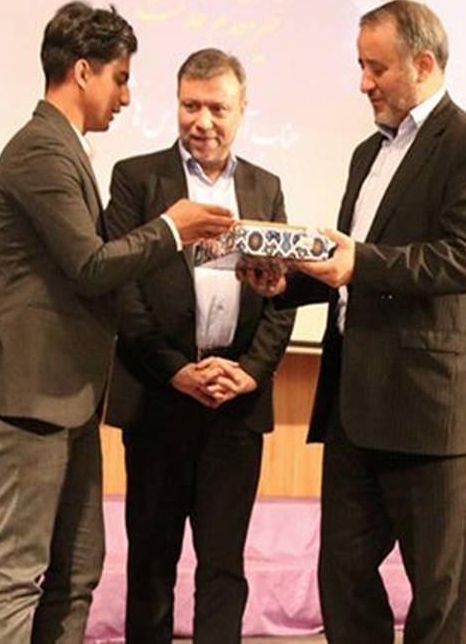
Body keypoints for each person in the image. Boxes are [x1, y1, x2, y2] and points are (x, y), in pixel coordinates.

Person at [0, 2, 233, 643]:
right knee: (20, 574)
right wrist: (172, 228)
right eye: (120, 79)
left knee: (79, 567)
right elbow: (89, 265)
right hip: (25, 394)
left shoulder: (65, 148)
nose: (127, 97)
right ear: (83, 72)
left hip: (68, 398)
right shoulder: (40, 150)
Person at [242, 0, 466, 643]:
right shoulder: (368, 153)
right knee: (342, 578)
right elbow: (351, 270)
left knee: (437, 594)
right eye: (360, 65)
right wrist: (286, 283)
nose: (363, 82)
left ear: (423, 64)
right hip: (356, 407)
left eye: (376, 67)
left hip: (435, 412)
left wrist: (357, 261)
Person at [105, 48, 295, 643]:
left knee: (223, 568)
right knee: (151, 564)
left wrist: (251, 371)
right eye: (191, 106)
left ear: (242, 110)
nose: (203, 121)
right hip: (159, 399)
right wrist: (175, 371)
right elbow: (122, 289)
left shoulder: (265, 187)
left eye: (217, 108)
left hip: (235, 406)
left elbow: (282, 294)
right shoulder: (137, 179)